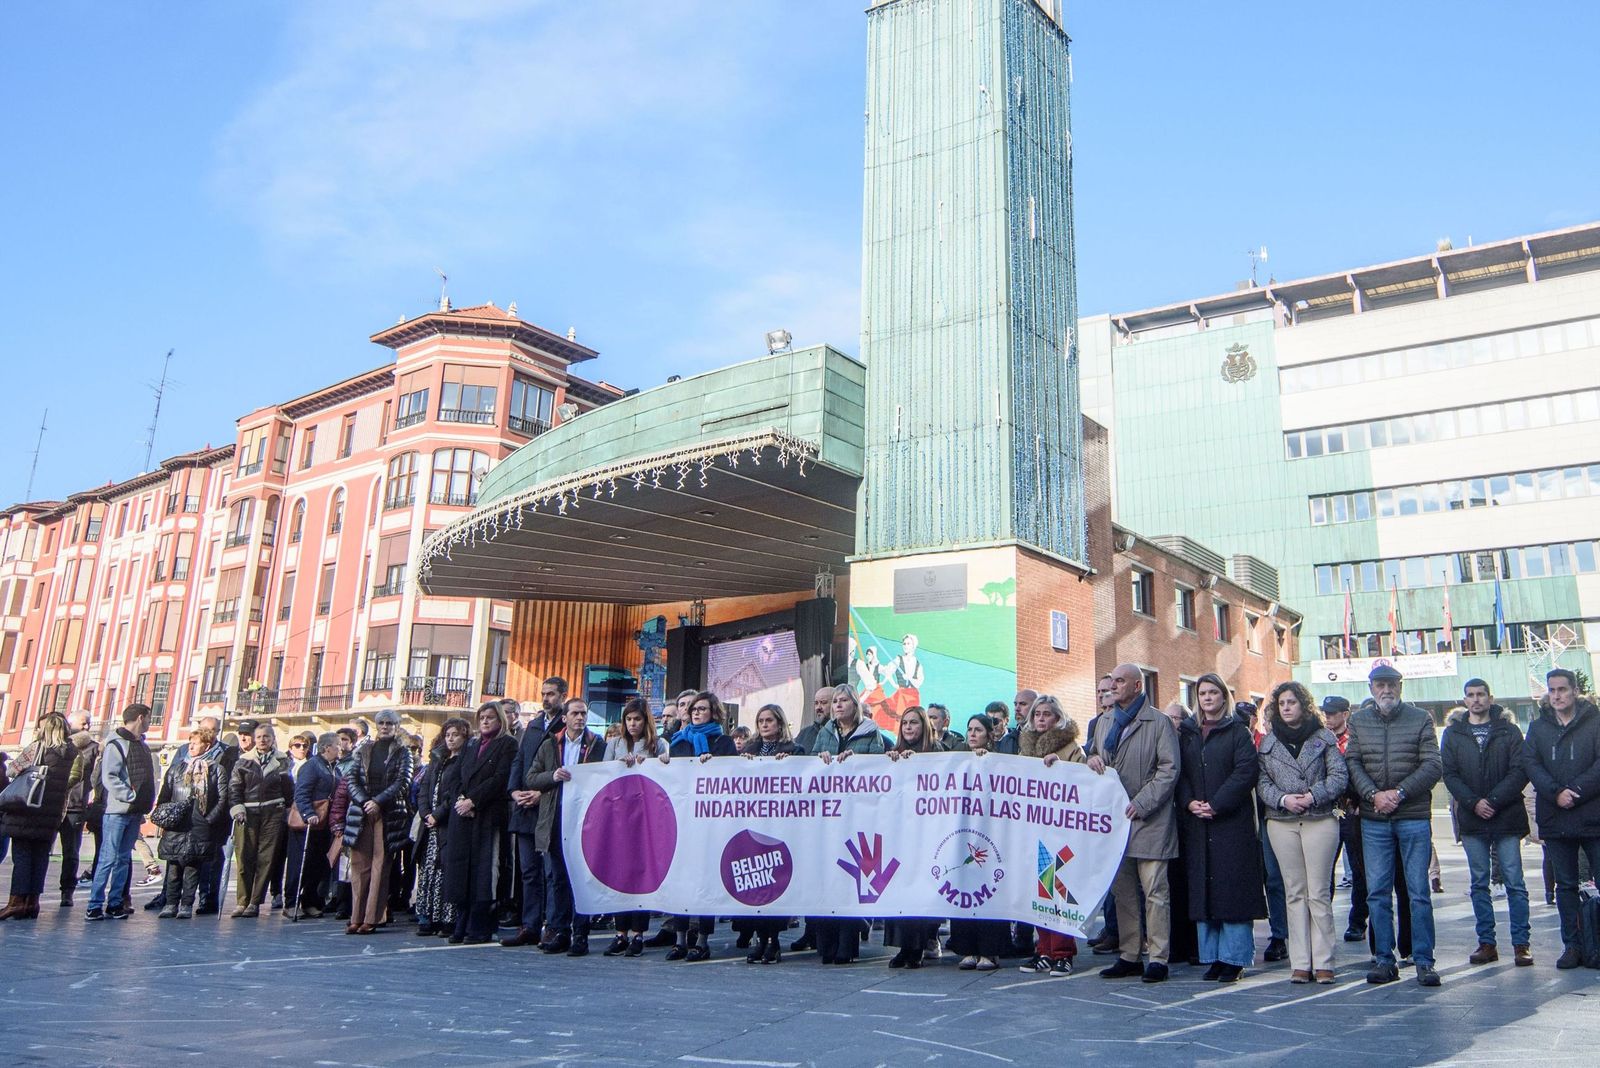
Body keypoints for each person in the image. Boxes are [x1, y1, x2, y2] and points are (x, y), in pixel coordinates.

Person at [1344, 663, 1443, 986]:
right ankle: (1384, 959)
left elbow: (1432, 765)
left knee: (1418, 893)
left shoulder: (1420, 719)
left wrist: (1399, 793)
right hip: (1375, 819)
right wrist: (1373, 795)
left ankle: (1424, 961)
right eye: (1380, 685)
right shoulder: (1358, 721)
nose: (1386, 690)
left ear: (1400, 687)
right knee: (1377, 893)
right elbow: (1353, 762)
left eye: (1391, 685)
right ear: (1371, 688)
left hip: (1412, 816)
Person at [1171, 675, 1264, 983]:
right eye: (1202, 693)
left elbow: (1246, 771)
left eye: (1213, 692)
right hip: (1197, 823)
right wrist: (1189, 803)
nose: (1208, 698)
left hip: (1230, 824)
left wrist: (1217, 803)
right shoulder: (1188, 734)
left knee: (1231, 891)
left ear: (1224, 697)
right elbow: (1179, 773)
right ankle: (1212, 956)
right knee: (1205, 890)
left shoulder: (1237, 732)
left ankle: (1234, 958)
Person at [1089, 664, 1179, 983]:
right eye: (1111, 680)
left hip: (1150, 819)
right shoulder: (1104, 722)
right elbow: (1096, 757)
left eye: (1120, 681)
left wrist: (1142, 802)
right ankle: (1129, 954)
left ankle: (1158, 957)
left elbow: (1168, 769)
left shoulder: (1159, 722)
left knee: (1155, 891)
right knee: (1123, 891)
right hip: (1116, 822)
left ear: (1137, 686)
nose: (1112, 686)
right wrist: (1092, 760)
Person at [1258, 681, 1348, 985]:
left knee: (1318, 892)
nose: (1286, 707)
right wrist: (1284, 799)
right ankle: (1300, 962)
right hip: (1282, 821)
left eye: (1292, 702)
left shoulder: (1324, 738)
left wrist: (1313, 795)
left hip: (1320, 818)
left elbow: (1339, 776)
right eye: (1281, 703)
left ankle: (1323, 960)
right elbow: (1262, 783)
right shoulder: (1268, 743)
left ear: (1304, 705)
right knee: (1294, 892)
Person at [1439, 678, 1531, 967]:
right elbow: (1449, 774)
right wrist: (1473, 802)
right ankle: (1487, 943)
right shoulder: (1454, 734)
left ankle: (1521, 944)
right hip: (1472, 818)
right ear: (1464, 700)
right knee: (1479, 882)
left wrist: (1493, 800)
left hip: (1506, 815)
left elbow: (1520, 770)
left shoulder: (1509, 730)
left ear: (1490, 698)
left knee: (1515, 881)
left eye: (1481, 695)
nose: (1476, 699)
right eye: (1471, 695)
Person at [1521, 668, 1600, 970]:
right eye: (1552, 690)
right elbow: (1531, 763)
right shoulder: (1539, 727)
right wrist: (1556, 793)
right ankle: (1573, 946)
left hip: (1592, 814)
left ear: (1575, 691)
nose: (1556, 696)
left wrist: (1576, 791)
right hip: (1556, 816)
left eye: (1562, 690)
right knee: (1564, 886)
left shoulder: (1595, 722)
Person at [807, 686, 886, 965]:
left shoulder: (871, 731)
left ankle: (847, 946)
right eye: (835, 702)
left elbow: (877, 767)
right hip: (828, 818)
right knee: (827, 880)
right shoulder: (825, 733)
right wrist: (821, 761)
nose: (838, 705)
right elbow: (810, 768)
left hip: (858, 817)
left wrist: (857, 762)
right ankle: (825, 945)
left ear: (855, 704)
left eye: (844, 701)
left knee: (849, 880)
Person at [663, 691, 739, 959]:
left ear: (714, 712)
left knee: (705, 880)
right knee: (681, 879)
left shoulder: (722, 742)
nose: (696, 713)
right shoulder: (678, 742)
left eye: (702, 709)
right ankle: (680, 939)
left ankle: (703, 939)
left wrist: (713, 767)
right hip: (683, 821)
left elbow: (733, 778)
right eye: (694, 709)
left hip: (710, 823)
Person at [526, 697, 604, 954]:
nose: (580, 718)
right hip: (555, 819)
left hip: (584, 821)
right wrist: (553, 776)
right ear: (565, 718)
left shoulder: (595, 744)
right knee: (557, 878)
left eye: (583, 714)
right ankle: (560, 931)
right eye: (575, 714)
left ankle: (581, 933)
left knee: (580, 878)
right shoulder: (550, 744)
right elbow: (532, 777)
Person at [1017, 695, 1086, 975]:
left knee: (1059, 891)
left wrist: (1062, 767)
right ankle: (1043, 949)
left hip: (1062, 832)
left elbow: (1083, 782)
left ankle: (1063, 952)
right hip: (1034, 830)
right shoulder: (1025, 749)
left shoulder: (1071, 748)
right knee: (1038, 893)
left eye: (1047, 714)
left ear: (1058, 718)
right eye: (1037, 714)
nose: (1041, 719)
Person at [443, 702, 517, 944]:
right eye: (482, 717)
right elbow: (455, 776)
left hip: (487, 815)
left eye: (490, 717)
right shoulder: (471, 745)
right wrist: (460, 799)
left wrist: (474, 801)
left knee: (484, 872)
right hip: (463, 816)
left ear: (500, 721)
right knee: (461, 870)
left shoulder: (507, 744)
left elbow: (500, 778)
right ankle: (461, 922)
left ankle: (480, 926)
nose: (485, 721)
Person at [503, 676, 568, 949]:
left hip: (549, 807)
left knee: (552, 872)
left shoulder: (566, 725)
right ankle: (529, 924)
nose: (546, 698)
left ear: (563, 695)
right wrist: (514, 791)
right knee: (529, 871)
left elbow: (567, 769)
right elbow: (521, 760)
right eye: (544, 693)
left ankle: (553, 925)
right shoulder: (533, 725)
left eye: (551, 694)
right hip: (525, 808)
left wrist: (542, 793)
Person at [600, 696, 668, 956]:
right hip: (620, 817)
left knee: (641, 875)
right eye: (628, 719)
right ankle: (620, 933)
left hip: (645, 819)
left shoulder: (658, 743)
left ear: (646, 720)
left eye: (637, 719)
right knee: (620, 875)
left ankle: (639, 933)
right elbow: (602, 774)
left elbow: (667, 768)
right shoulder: (615, 744)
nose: (632, 724)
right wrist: (619, 766)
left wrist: (650, 764)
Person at [340, 709, 416, 934]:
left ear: (396, 725)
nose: (385, 726)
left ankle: (372, 918)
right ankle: (356, 917)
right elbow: (351, 779)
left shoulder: (404, 753)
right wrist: (365, 801)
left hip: (387, 812)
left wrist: (379, 802)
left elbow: (403, 782)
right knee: (359, 865)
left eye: (389, 723)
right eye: (381, 723)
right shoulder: (363, 750)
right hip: (362, 811)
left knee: (380, 866)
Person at [946, 713, 1010, 971]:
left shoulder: (999, 762)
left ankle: (990, 950)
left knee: (988, 891)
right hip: (962, 833)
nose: (972, 734)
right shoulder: (956, 759)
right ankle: (967, 948)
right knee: (962, 887)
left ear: (989, 734)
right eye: (969, 729)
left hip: (990, 833)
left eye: (978, 730)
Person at [0, 712, 76, 921]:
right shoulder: (71, 752)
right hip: (51, 814)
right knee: (41, 857)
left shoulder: (38, 747)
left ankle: (16, 902)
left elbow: (13, 770)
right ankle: (32, 902)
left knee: (23, 856)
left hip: (28, 810)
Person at [86, 703, 156, 922]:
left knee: (123, 859)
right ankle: (94, 904)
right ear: (140, 718)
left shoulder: (142, 745)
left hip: (135, 812)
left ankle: (115, 902)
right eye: (148, 718)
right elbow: (110, 777)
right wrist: (131, 795)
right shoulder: (116, 743)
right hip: (117, 810)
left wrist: (143, 802)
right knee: (108, 857)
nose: (149, 722)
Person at [154, 724, 229, 919]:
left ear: (207, 745)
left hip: (199, 825)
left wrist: (208, 819)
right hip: (177, 825)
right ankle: (171, 903)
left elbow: (222, 798)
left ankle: (186, 904)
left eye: (196, 743)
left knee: (193, 867)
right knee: (173, 866)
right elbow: (165, 795)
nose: (191, 746)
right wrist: (165, 817)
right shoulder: (178, 768)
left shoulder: (215, 770)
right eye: (190, 742)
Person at [228, 722, 294, 918]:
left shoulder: (282, 761)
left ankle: (255, 902)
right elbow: (234, 788)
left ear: (273, 739)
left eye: (266, 736)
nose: (263, 740)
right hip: (247, 813)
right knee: (244, 857)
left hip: (273, 812)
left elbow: (288, 788)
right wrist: (237, 809)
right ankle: (242, 901)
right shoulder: (243, 761)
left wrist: (288, 809)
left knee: (266, 858)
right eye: (259, 737)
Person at [414, 718, 468, 937]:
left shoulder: (463, 762)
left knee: (445, 871)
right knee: (428, 870)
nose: (451, 739)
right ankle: (427, 916)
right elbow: (424, 788)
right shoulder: (438, 761)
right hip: (430, 827)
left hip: (448, 825)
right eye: (447, 735)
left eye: (455, 735)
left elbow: (453, 793)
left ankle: (446, 918)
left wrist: (438, 815)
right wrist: (426, 812)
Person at [286, 732, 340, 920]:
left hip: (325, 824)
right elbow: (301, 793)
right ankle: (291, 902)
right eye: (337, 746)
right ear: (327, 748)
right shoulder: (312, 766)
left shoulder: (334, 768)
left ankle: (310, 901)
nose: (340, 749)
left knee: (318, 864)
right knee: (300, 863)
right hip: (307, 824)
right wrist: (308, 813)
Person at [56, 711, 98, 907]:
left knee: (71, 851)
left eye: (88, 723)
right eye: (83, 723)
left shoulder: (94, 749)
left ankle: (67, 891)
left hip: (75, 805)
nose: (87, 727)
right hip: (54, 803)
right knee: (40, 848)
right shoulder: (58, 744)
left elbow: (96, 778)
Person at [793, 686, 835, 753]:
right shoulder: (804, 733)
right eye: (816, 703)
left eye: (823, 702)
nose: (818, 707)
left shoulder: (840, 734)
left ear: (835, 704)